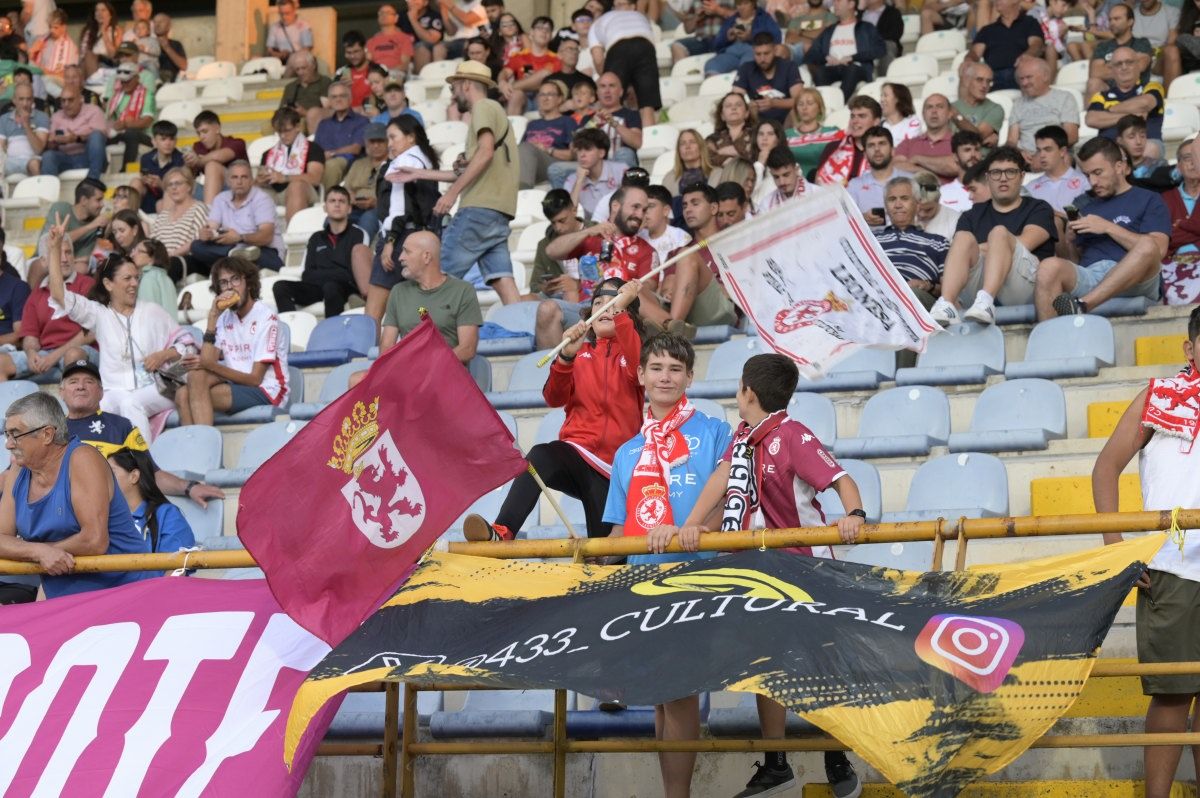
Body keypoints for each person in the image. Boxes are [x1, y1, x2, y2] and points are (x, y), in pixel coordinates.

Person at [648, 353, 864, 798]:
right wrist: (687, 523)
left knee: (822, 664)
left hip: (808, 566)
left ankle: (837, 753)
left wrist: (854, 515)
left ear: (748, 392)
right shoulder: (743, 437)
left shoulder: (793, 435)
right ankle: (775, 762)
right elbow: (722, 481)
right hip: (762, 569)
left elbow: (841, 479)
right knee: (767, 661)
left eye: (738, 386)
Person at [603, 333, 732, 798]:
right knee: (662, 694)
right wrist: (584, 551)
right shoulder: (626, 453)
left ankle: (677, 796)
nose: (664, 377)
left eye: (675, 369)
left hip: (695, 577)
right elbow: (619, 536)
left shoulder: (715, 431)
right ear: (640, 376)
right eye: (656, 368)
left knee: (678, 693)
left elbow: (728, 501)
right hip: (641, 584)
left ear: (689, 378)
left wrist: (686, 531)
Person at [1092, 307, 1200, 798]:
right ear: (1190, 349)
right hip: (1172, 569)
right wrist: (1117, 550)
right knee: (1173, 695)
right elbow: (1105, 469)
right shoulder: (1157, 397)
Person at [466, 278, 644, 542]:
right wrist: (566, 358)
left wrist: (621, 314)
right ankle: (502, 531)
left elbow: (637, 365)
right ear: (589, 315)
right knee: (540, 455)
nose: (606, 308)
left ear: (627, 312)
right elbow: (553, 397)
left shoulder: (636, 352)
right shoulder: (578, 353)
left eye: (615, 303)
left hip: (616, 469)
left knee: (606, 557)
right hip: (577, 455)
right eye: (599, 303)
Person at [391, 61, 521, 306]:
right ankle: (524, 334)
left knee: (435, 276)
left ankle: (420, 335)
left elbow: (484, 153)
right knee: (504, 284)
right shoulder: (492, 110)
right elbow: (469, 167)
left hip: (478, 209)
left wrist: (450, 195)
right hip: (498, 213)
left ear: (467, 84)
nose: (452, 94)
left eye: (454, 87)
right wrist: (418, 173)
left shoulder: (482, 107)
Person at [45, 218, 187, 442]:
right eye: (127, 278)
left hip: (155, 389)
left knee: (131, 403)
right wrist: (54, 249)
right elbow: (58, 295)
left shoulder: (152, 311)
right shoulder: (99, 314)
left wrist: (164, 354)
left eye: (136, 278)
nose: (134, 284)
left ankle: (144, 466)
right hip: (113, 391)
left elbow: (186, 344)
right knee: (87, 409)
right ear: (109, 284)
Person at [0, 392, 151, 599]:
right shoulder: (17, 470)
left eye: (15, 434)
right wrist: (39, 552)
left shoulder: (82, 458)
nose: (8, 444)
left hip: (126, 595)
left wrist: (39, 551)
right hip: (69, 604)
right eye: (7, 434)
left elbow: (94, 540)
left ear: (47, 434)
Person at [1035, 136, 1168, 319]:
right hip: (1092, 276)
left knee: (1147, 244)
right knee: (1048, 266)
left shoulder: (1149, 199)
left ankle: (1082, 305)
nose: (1093, 182)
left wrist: (1107, 227)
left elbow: (1158, 250)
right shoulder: (1086, 208)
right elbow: (1076, 263)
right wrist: (1070, 241)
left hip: (1136, 279)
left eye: (1098, 172)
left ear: (1119, 167)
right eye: (1088, 175)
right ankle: (1048, 342)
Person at [60, 358, 223, 507]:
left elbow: (151, 474)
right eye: (73, 382)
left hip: (110, 516)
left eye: (89, 382)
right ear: (62, 392)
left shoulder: (121, 427)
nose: (81, 387)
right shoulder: (52, 432)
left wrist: (189, 487)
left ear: (101, 392)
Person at [931, 146, 1056, 325]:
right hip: (978, 286)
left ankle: (986, 300)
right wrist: (985, 248)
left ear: (1022, 176)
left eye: (1010, 172)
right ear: (988, 178)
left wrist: (984, 247)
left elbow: (1024, 243)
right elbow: (959, 255)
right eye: (996, 172)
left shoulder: (1039, 208)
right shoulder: (971, 214)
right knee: (964, 239)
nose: (1003, 178)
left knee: (999, 234)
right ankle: (947, 304)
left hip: (1024, 287)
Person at [176, 257, 290, 426]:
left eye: (235, 279)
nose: (229, 287)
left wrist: (207, 364)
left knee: (190, 395)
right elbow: (208, 360)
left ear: (249, 283)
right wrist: (212, 317)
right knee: (183, 392)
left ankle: (203, 446)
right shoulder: (223, 319)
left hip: (268, 390)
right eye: (223, 282)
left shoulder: (267, 318)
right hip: (236, 382)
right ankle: (194, 447)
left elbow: (255, 379)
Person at [643, 182, 738, 336]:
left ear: (713, 208)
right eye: (685, 205)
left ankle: (671, 335)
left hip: (720, 311)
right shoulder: (676, 252)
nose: (688, 210)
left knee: (687, 255)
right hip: (684, 314)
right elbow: (668, 289)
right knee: (630, 288)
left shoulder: (734, 244)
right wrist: (669, 292)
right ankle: (671, 326)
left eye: (695, 203)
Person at [376, 231, 482, 366]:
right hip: (408, 372)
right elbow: (386, 346)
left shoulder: (463, 290)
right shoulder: (398, 292)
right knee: (356, 379)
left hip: (444, 372)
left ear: (426, 257)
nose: (400, 258)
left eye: (406, 252)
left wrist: (427, 365)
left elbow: (467, 349)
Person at [373, 115, 441, 326]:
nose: (389, 144)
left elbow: (401, 208)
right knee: (416, 306)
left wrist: (391, 242)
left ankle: (371, 356)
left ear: (411, 137)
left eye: (393, 138)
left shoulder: (404, 162)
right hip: (420, 239)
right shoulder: (425, 160)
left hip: (400, 238)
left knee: (373, 312)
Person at [273, 187, 372, 318]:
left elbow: (353, 275)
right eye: (332, 201)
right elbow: (307, 274)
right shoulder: (316, 238)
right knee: (280, 286)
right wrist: (337, 272)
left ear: (349, 208)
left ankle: (331, 334)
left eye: (342, 201)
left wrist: (326, 274)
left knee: (331, 287)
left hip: (345, 289)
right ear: (325, 207)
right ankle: (292, 329)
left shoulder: (359, 234)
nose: (337, 204)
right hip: (317, 288)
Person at [191, 160, 286, 274]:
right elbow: (211, 227)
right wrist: (206, 234)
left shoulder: (262, 199)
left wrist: (240, 238)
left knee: (257, 255)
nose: (239, 181)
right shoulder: (220, 199)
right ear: (228, 181)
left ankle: (236, 256)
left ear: (251, 180)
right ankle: (235, 255)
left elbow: (266, 237)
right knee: (196, 246)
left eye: (244, 177)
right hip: (232, 249)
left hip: (263, 251)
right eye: (235, 177)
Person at [586, 0, 662, 129]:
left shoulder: (596, 25)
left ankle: (604, 139)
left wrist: (608, 79)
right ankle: (650, 144)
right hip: (645, 46)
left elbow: (599, 61)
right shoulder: (639, 15)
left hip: (618, 48)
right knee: (646, 105)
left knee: (610, 101)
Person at [107, 446, 194, 555]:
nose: (102, 478)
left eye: (110, 472)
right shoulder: (103, 516)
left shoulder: (167, 515)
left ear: (134, 476)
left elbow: (176, 567)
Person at [878, 175, 950, 305]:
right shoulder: (871, 239)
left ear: (917, 205)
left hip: (917, 298)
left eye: (904, 198)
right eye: (892, 199)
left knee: (911, 295)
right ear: (886, 206)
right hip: (878, 294)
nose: (898, 205)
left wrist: (928, 286)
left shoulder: (939, 242)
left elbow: (949, 291)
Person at [529, 190, 589, 346]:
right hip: (555, 298)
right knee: (520, 300)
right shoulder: (544, 245)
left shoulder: (595, 233)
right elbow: (534, 285)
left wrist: (577, 285)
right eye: (553, 223)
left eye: (562, 220)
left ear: (573, 209)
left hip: (588, 298)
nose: (558, 227)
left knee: (554, 303)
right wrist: (547, 287)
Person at [804, 0, 885, 102]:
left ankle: (838, 104)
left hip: (857, 67)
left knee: (852, 70)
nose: (835, 4)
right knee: (820, 72)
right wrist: (826, 57)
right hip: (832, 67)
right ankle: (825, 104)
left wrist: (853, 57)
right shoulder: (829, 31)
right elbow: (810, 55)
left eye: (838, 1)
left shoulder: (866, 28)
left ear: (851, 4)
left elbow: (880, 49)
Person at [258, 107, 325, 225]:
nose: (283, 136)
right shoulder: (268, 153)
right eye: (279, 132)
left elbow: (315, 178)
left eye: (287, 130)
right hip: (273, 192)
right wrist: (259, 180)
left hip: (303, 191)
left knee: (296, 186)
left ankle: (291, 235)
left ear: (298, 126)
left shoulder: (313, 148)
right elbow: (258, 181)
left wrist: (284, 178)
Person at [1006, 56, 1081, 162]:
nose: (1024, 83)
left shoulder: (1065, 98)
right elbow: (1011, 141)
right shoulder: (1018, 104)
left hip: (1057, 157)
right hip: (1026, 160)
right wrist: (1019, 153)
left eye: (1028, 77)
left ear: (1045, 76)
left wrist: (1043, 154)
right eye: (1021, 79)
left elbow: (1072, 136)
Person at [1085, 45, 1165, 144]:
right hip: (1110, 149)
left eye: (1129, 62)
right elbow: (1091, 119)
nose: (1124, 67)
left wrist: (1109, 110)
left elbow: (1145, 103)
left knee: (1151, 149)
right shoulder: (1101, 96)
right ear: (1112, 70)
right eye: (1119, 64)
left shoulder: (1152, 86)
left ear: (1138, 65)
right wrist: (1130, 115)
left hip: (1145, 145)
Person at [967, 0, 1044, 91]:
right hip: (993, 78)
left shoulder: (1029, 22)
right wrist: (969, 59)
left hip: (1021, 73)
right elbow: (975, 52)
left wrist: (1028, 55)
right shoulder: (987, 30)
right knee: (968, 73)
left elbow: (1037, 44)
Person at [731, 32, 802, 126]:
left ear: (774, 50)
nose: (762, 59)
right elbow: (735, 98)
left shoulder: (789, 66)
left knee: (796, 110)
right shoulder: (746, 68)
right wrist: (748, 106)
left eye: (766, 53)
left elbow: (799, 100)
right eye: (758, 54)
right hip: (757, 122)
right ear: (753, 52)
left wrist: (774, 103)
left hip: (787, 121)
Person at [1161, 137, 1200, 306]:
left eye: (1196, 157)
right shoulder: (1165, 198)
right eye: (1186, 158)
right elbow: (1164, 238)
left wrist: (1181, 224)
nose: (1192, 163)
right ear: (1178, 165)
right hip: (1173, 261)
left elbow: (1174, 233)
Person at [519, 80, 577, 189]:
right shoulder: (532, 124)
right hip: (530, 163)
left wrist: (547, 149)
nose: (545, 98)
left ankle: (522, 191)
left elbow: (573, 154)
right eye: (542, 95)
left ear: (560, 99)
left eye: (550, 94)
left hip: (553, 163)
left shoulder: (567, 121)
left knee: (527, 148)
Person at [1087, 3, 1153, 97]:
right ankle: (1093, 112)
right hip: (1109, 93)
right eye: (1110, 20)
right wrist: (1128, 65)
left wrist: (1109, 65)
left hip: (1137, 93)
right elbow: (1095, 73)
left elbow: (1140, 66)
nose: (1112, 23)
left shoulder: (1142, 43)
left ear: (1130, 21)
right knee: (1093, 83)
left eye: (1117, 19)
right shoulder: (1103, 46)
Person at [498, 15, 561, 115]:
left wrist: (512, 86)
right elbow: (505, 72)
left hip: (544, 97)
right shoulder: (518, 56)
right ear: (531, 33)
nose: (544, 32)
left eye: (548, 29)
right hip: (522, 98)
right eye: (540, 28)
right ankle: (511, 130)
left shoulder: (557, 59)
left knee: (545, 74)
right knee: (516, 95)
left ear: (551, 36)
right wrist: (502, 82)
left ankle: (514, 87)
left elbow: (547, 82)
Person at [41, 85, 108, 179]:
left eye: (70, 100)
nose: (66, 104)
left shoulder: (94, 111)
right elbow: (50, 145)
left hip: (89, 156)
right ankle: (48, 191)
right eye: (63, 101)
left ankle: (93, 181)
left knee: (96, 135)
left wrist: (77, 138)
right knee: (48, 156)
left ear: (81, 99)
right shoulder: (56, 116)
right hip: (66, 159)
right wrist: (55, 141)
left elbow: (102, 137)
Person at [814, 95, 882, 186]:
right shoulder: (834, 147)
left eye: (862, 116)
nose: (855, 121)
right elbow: (818, 183)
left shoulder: (883, 151)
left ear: (876, 122)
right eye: (852, 116)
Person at [848, 126, 910, 225]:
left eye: (882, 143)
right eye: (871, 145)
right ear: (864, 154)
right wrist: (861, 219)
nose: (877, 149)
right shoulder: (854, 186)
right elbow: (846, 221)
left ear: (893, 150)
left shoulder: (910, 180)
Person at [149, 167, 208, 269]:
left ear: (189, 186)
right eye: (170, 185)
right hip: (161, 261)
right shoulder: (163, 215)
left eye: (178, 183)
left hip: (186, 260)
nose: (174, 188)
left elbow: (198, 241)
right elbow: (153, 243)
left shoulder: (199, 208)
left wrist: (171, 254)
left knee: (171, 264)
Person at [185, 110, 249, 207]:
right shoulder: (198, 146)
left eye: (205, 131)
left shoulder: (237, 143)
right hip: (210, 193)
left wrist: (199, 161)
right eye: (199, 133)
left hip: (237, 192)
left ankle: (209, 217)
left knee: (212, 166)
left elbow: (221, 156)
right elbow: (189, 174)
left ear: (217, 129)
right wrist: (189, 164)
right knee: (176, 180)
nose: (202, 137)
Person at [313, 82, 368, 191]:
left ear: (350, 99)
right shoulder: (323, 124)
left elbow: (356, 148)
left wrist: (332, 153)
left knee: (332, 165)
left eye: (342, 96)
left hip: (349, 163)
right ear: (329, 100)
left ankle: (327, 200)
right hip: (323, 162)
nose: (338, 99)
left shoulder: (361, 121)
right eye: (334, 97)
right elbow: (316, 149)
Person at [564, 127, 628, 219]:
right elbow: (569, 217)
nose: (582, 155)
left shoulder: (621, 171)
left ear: (601, 153)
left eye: (587, 149)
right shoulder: (571, 180)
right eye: (579, 150)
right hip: (588, 228)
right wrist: (579, 181)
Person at [893, 94, 958, 182]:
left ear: (950, 114)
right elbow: (896, 166)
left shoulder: (960, 141)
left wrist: (918, 159)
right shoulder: (908, 143)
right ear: (923, 115)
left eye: (940, 106)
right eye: (929, 107)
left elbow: (955, 166)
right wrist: (926, 173)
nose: (934, 111)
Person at [705, 0, 782, 76]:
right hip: (731, 52)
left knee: (748, 66)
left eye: (745, 3)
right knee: (711, 65)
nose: (742, 7)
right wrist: (727, 38)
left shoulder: (764, 17)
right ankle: (717, 87)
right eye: (739, 4)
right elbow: (716, 45)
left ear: (753, 4)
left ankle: (742, 84)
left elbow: (776, 37)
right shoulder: (731, 19)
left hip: (752, 50)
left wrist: (751, 36)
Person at [341, 123, 390, 241]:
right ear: (366, 143)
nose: (376, 145)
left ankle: (359, 253)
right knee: (332, 218)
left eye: (380, 141)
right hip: (355, 207)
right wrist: (350, 197)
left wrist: (376, 202)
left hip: (380, 208)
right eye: (372, 142)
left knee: (368, 218)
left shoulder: (394, 164)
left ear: (388, 142)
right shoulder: (358, 164)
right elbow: (346, 188)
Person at [104, 59, 155, 171]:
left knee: (131, 133)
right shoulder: (115, 96)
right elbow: (109, 120)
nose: (124, 84)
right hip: (121, 133)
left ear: (137, 78)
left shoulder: (147, 94)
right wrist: (115, 126)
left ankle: (126, 169)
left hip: (145, 135)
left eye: (127, 81)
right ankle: (101, 171)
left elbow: (147, 121)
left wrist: (127, 125)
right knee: (99, 138)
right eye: (122, 82)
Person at [1027, 124, 1090, 212]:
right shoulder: (1030, 187)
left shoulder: (1085, 183)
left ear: (1062, 151)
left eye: (1048, 149)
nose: (1042, 155)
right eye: (1039, 150)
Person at [786, 88, 843, 180]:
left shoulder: (832, 132)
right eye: (800, 104)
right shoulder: (787, 135)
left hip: (825, 184)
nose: (804, 108)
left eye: (810, 103)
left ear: (819, 108)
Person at [131, 119, 183, 213]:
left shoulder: (181, 160)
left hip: (171, 202)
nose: (168, 143)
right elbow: (143, 182)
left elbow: (182, 193)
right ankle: (129, 218)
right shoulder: (145, 158)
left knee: (162, 202)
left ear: (176, 141)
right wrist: (145, 180)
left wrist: (161, 184)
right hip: (149, 200)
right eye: (163, 139)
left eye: (171, 139)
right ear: (154, 141)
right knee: (136, 182)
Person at [279, 52, 333, 135]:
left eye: (303, 68)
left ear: (313, 66)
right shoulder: (291, 87)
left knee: (301, 124)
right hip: (291, 119)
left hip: (312, 118)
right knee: (267, 126)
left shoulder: (324, 82)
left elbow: (327, 110)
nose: (300, 72)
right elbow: (281, 109)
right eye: (297, 69)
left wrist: (305, 113)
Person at [952, 62, 1003, 150]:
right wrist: (983, 142)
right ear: (967, 81)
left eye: (988, 81)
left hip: (983, 161)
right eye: (979, 80)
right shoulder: (952, 106)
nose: (984, 85)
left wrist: (956, 116)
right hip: (954, 161)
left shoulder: (996, 109)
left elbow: (975, 137)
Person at [0, 82, 47, 178]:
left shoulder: (42, 117)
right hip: (9, 161)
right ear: (14, 100)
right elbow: (1, 148)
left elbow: (38, 149)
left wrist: (26, 124)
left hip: (31, 160)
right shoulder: (4, 119)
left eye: (28, 99)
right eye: (21, 99)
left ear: (33, 100)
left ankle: (38, 192)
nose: (25, 103)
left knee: (34, 164)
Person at [671, 0, 736, 64]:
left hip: (723, 39)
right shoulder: (695, 2)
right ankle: (685, 73)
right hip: (702, 41)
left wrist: (718, 10)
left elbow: (742, 16)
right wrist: (697, 16)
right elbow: (687, 29)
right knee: (677, 46)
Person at [642, 184, 694, 261]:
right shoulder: (636, 236)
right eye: (643, 207)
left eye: (651, 206)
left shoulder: (680, 238)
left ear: (666, 211)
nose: (645, 211)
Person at [706, 92, 756, 171]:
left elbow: (758, 158)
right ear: (722, 115)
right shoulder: (712, 139)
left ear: (747, 113)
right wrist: (740, 155)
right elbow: (708, 159)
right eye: (728, 106)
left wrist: (725, 152)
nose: (733, 108)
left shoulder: (757, 135)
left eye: (738, 105)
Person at [129, 238, 177, 318]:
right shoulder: (166, 278)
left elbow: (147, 316)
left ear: (152, 258)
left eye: (139, 251)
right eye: (133, 250)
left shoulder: (149, 278)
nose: (132, 255)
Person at [30, 9, 76, 90]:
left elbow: (67, 74)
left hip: (57, 82)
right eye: (50, 27)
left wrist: (45, 73)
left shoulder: (71, 47)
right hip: (39, 77)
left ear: (64, 27)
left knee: (46, 81)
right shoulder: (41, 40)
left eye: (55, 27)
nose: (51, 30)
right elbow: (28, 62)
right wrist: (32, 51)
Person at [663, 128, 714, 196]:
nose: (687, 146)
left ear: (701, 147)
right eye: (683, 143)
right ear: (679, 151)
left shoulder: (717, 174)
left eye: (692, 142)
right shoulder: (669, 178)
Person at [762, 144, 814, 210]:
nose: (782, 182)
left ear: (796, 169)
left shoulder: (819, 195)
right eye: (776, 177)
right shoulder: (766, 204)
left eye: (786, 175)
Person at [914, 169, 961, 239]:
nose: (922, 214)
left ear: (938, 200)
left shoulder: (955, 220)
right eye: (918, 208)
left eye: (928, 210)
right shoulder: (902, 217)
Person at [80, 1, 123, 78]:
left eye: (103, 10)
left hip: (107, 64)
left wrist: (103, 31)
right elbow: (83, 55)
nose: (99, 13)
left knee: (89, 56)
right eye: (97, 10)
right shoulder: (88, 32)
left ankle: (93, 84)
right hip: (90, 63)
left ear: (110, 14)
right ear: (94, 15)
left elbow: (113, 55)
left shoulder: (116, 30)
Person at [369, 4, 414, 73]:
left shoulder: (404, 38)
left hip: (395, 75)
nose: (384, 15)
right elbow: (367, 63)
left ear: (396, 18)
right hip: (375, 77)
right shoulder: (371, 41)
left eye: (388, 13)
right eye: (381, 13)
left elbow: (405, 64)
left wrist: (388, 73)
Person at [267, 0, 314, 67]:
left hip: (298, 61)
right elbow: (269, 51)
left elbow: (307, 49)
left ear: (294, 11)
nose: (284, 17)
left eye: (287, 13)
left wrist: (291, 56)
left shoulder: (304, 26)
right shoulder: (275, 27)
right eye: (281, 14)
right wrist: (280, 54)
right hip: (279, 61)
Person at [407, 0, 447, 73]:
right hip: (405, 53)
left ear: (425, 2)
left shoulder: (434, 15)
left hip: (425, 52)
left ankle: (420, 80)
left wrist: (413, 20)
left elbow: (431, 39)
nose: (412, 2)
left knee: (421, 46)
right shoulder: (401, 16)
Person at [152, 13, 187, 83]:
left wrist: (167, 48)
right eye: (155, 22)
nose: (157, 25)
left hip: (170, 84)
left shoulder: (176, 44)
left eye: (161, 22)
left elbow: (184, 66)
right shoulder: (148, 43)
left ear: (169, 26)